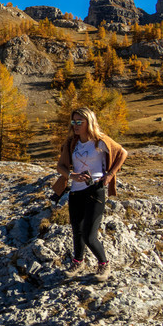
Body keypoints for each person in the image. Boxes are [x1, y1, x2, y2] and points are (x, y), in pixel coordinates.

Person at [53, 107, 126, 280]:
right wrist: (72, 176)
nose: (76, 125)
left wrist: (110, 174)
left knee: (88, 235)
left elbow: (123, 153)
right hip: (76, 193)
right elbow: (60, 166)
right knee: (76, 231)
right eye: (74, 121)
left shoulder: (100, 141)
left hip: (95, 191)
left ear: (89, 122)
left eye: (80, 122)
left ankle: (104, 265)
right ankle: (78, 262)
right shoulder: (72, 143)